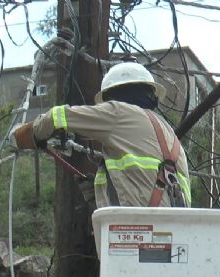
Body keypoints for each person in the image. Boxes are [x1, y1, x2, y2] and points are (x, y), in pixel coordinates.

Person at [12, 62, 191, 209]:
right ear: (152, 96)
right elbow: (143, 182)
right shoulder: (168, 132)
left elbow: (57, 116)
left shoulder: (119, 112)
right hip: (176, 237)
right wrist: (103, 188)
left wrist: (27, 135)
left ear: (111, 96)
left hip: (139, 236)